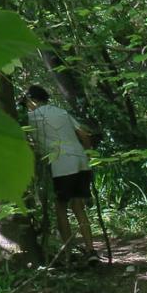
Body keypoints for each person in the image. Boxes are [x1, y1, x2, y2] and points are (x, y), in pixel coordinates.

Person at [24, 85, 97, 257]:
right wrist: (87, 156)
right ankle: (90, 249)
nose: (26, 106)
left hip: (61, 164)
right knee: (78, 207)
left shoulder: (31, 118)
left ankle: (68, 252)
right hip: (80, 161)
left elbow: (34, 146)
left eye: (26, 102)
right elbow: (84, 135)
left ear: (32, 100)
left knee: (61, 207)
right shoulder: (61, 112)